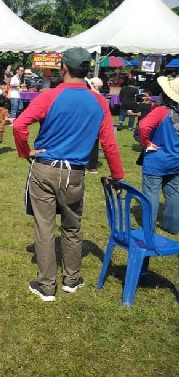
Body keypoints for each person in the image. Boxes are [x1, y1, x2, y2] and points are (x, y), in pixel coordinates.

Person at [13, 47, 124, 302]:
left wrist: (25, 151)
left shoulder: (49, 96)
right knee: (72, 227)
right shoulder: (99, 102)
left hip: (44, 169)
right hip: (74, 174)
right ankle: (71, 280)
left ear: (63, 67)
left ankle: (46, 286)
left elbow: (19, 125)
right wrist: (117, 175)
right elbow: (109, 143)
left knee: (45, 227)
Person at [138, 76, 179, 234]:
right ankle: (172, 225)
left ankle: (148, 227)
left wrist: (146, 143)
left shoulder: (161, 112)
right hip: (175, 158)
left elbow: (143, 126)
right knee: (173, 192)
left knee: (151, 193)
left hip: (157, 159)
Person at [85, 77, 104, 174]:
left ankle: (87, 165)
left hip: (88, 124)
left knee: (86, 145)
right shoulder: (100, 98)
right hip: (95, 125)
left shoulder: (90, 97)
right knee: (94, 146)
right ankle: (92, 166)